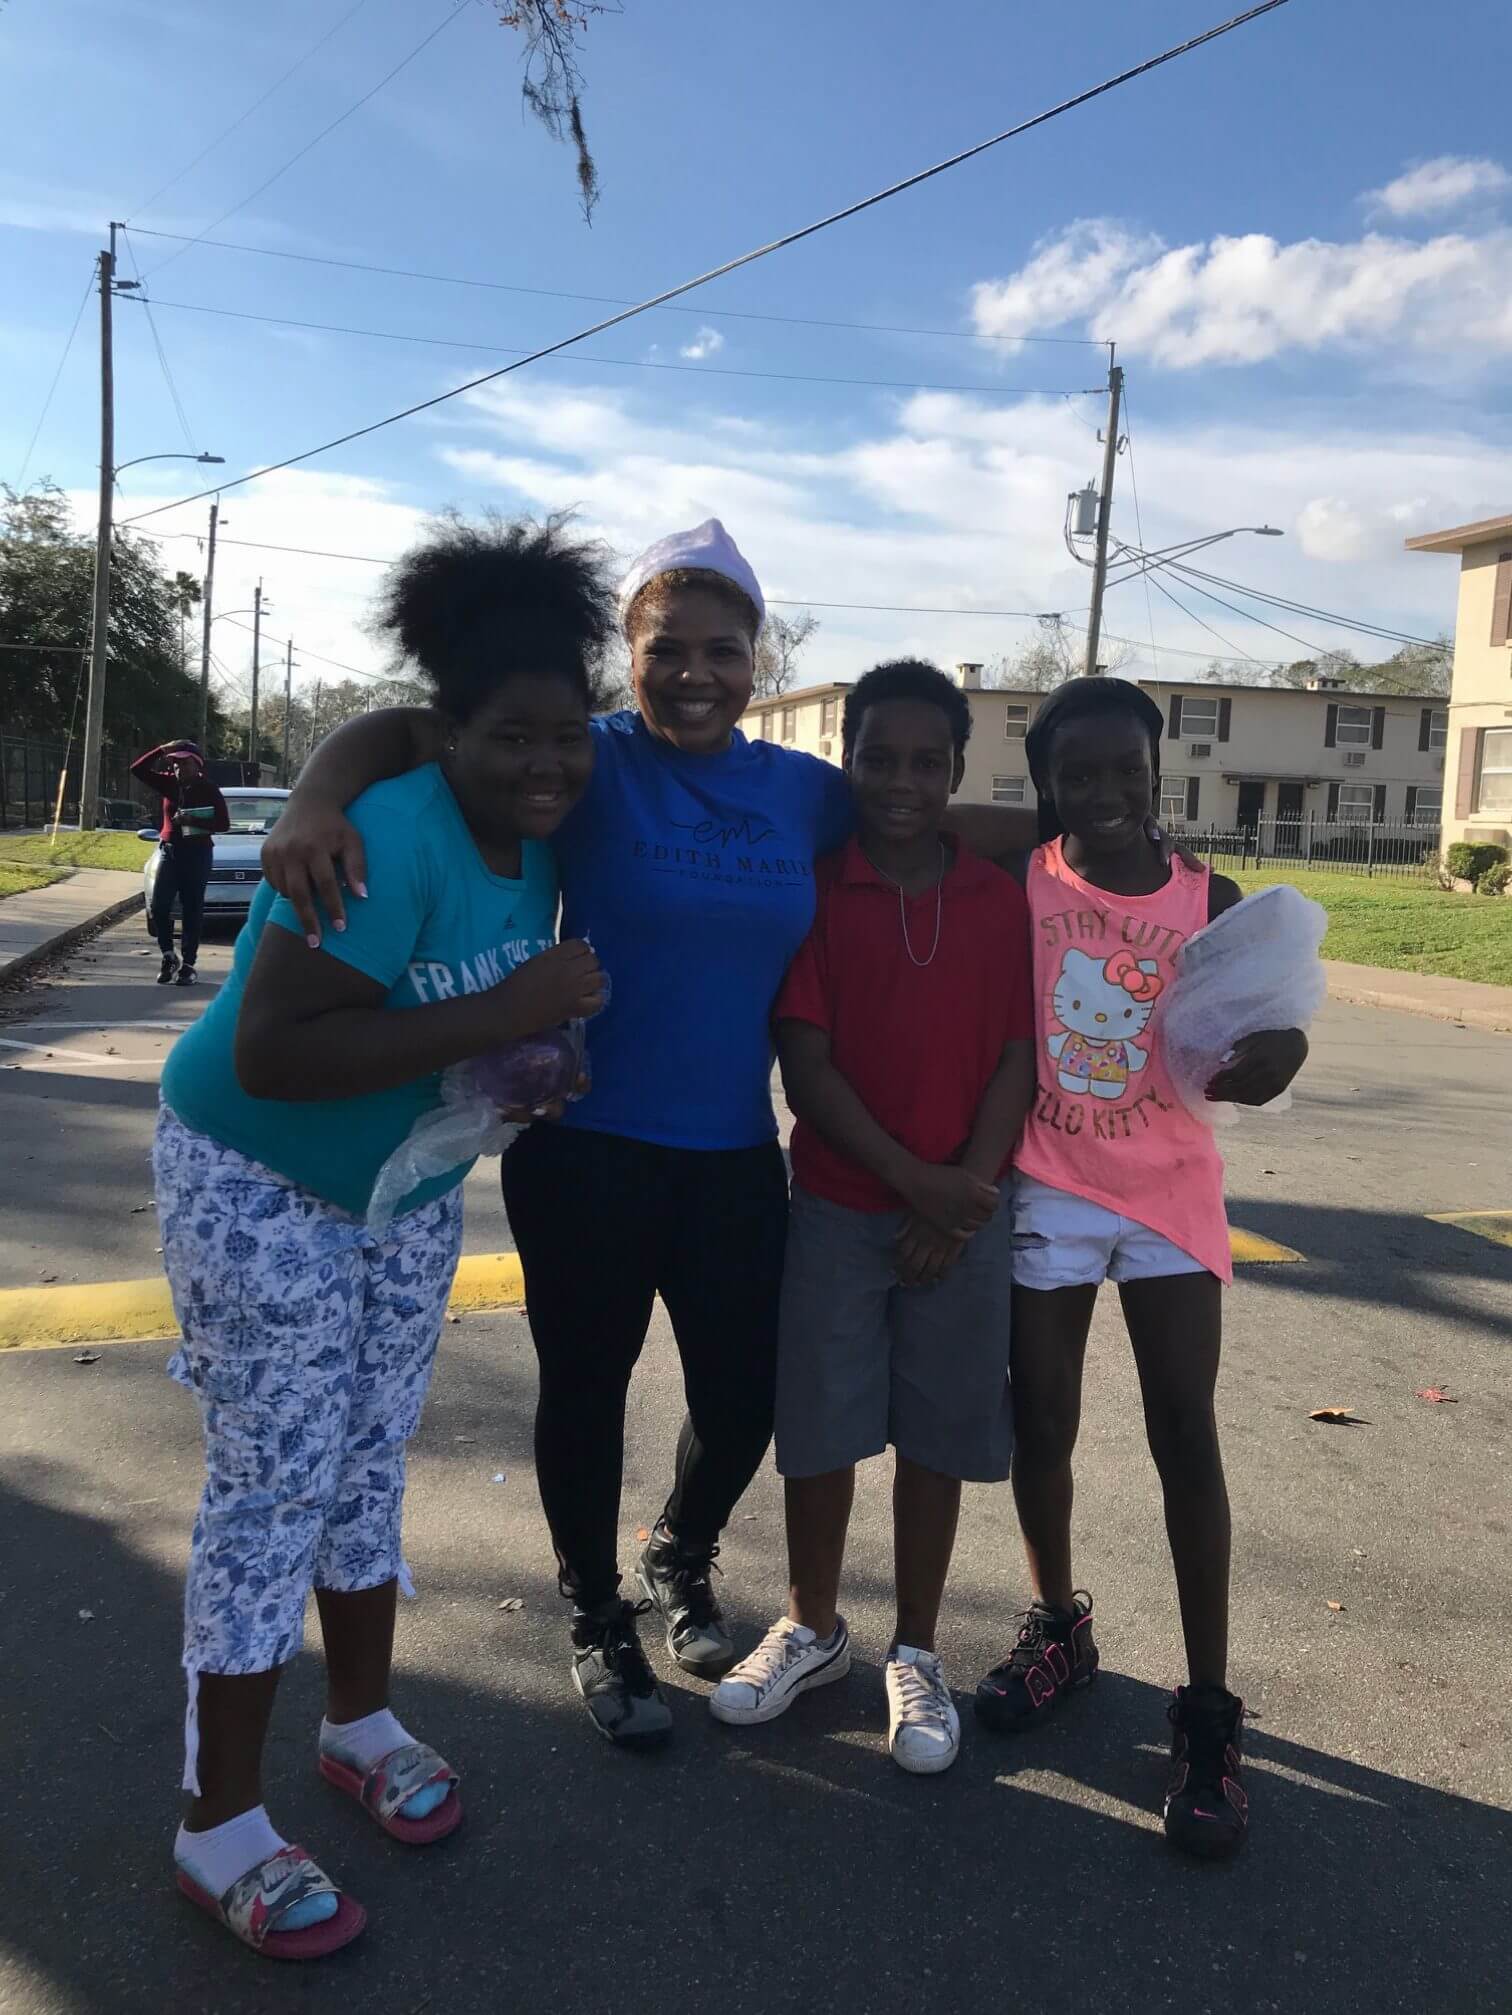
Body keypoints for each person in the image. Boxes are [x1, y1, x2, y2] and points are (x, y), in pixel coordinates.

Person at [261, 520, 1059, 1751]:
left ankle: (679, 1550)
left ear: (758, 658)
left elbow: (944, 820)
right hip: (586, 1146)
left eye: (723, 650)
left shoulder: (803, 792)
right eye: (667, 649)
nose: (695, 673)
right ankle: (597, 1611)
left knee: (746, 1398)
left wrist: (1135, 857)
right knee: (586, 1390)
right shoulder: (584, 757)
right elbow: (408, 732)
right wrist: (315, 796)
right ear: (627, 656)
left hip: (732, 1151)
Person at [153, 516, 610, 1960]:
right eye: (510, 736)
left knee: (366, 1458)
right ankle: (217, 1821)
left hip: (403, 1189)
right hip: (257, 1173)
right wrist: (507, 1012)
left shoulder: (542, 829)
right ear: (448, 731)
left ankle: (358, 1722)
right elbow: (278, 1048)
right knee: (273, 1483)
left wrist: (523, 1064)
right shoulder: (386, 833)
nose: (545, 763)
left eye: (568, 735)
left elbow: (459, 1006)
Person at [970, 676, 1308, 1859]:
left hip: (1168, 1190)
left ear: (1159, 771)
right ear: (1045, 782)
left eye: (1127, 770)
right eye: (1079, 773)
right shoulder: (1019, 876)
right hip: (1053, 1181)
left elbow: (1271, 1023)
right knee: (1042, 1419)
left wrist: (1281, 1049)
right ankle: (1059, 1625)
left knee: (1183, 1433)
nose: (1106, 792)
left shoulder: (1210, 897)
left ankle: (1208, 1707)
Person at [709, 662, 1035, 1775]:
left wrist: (966, 1190)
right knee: (821, 1423)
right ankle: (812, 1625)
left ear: (957, 770)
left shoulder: (995, 899)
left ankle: (918, 1648)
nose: (902, 781)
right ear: (846, 762)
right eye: (879, 758)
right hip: (844, 1207)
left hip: (965, 1212)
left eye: (927, 761)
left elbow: (1017, 1055)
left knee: (938, 1433)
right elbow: (807, 1063)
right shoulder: (822, 888)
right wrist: (912, 1181)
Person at [130, 738, 230, 985]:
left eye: (184, 764)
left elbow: (223, 824)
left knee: (192, 909)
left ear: (197, 765)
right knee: (159, 907)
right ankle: (168, 955)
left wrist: (192, 821)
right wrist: (161, 750)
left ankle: (188, 964)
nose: (178, 768)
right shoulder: (168, 784)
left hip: (197, 854)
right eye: (175, 764)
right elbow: (137, 770)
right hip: (170, 852)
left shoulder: (209, 789)